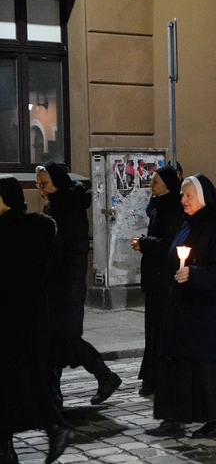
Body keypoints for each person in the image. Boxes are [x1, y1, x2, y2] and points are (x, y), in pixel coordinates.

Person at [148, 174, 216, 438]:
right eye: (182, 195)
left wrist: (194, 274)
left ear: (203, 198)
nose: (182, 200)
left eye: (188, 195)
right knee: (178, 363)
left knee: (208, 367)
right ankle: (174, 417)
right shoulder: (188, 224)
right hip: (185, 307)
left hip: (212, 312)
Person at [0, 176, 76, 464]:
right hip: (23, 320)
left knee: (18, 382)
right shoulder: (28, 228)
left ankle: (54, 428)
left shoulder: (17, 232)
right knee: (16, 384)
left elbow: (30, 279)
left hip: (16, 322)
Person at [36, 162, 122, 408]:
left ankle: (103, 377)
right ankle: (56, 394)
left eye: (45, 183)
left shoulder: (69, 207)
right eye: (38, 184)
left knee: (66, 337)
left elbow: (65, 248)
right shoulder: (55, 204)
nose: (41, 188)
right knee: (55, 338)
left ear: (58, 181)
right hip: (56, 283)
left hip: (67, 284)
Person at [132, 165, 184, 396]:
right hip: (155, 278)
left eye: (155, 182)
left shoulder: (172, 207)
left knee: (160, 329)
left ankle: (159, 378)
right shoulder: (158, 206)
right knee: (152, 329)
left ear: (167, 185)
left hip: (164, 279)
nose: (150, 185)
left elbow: (168, 244)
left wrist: (145, 244)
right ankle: (152, 376)